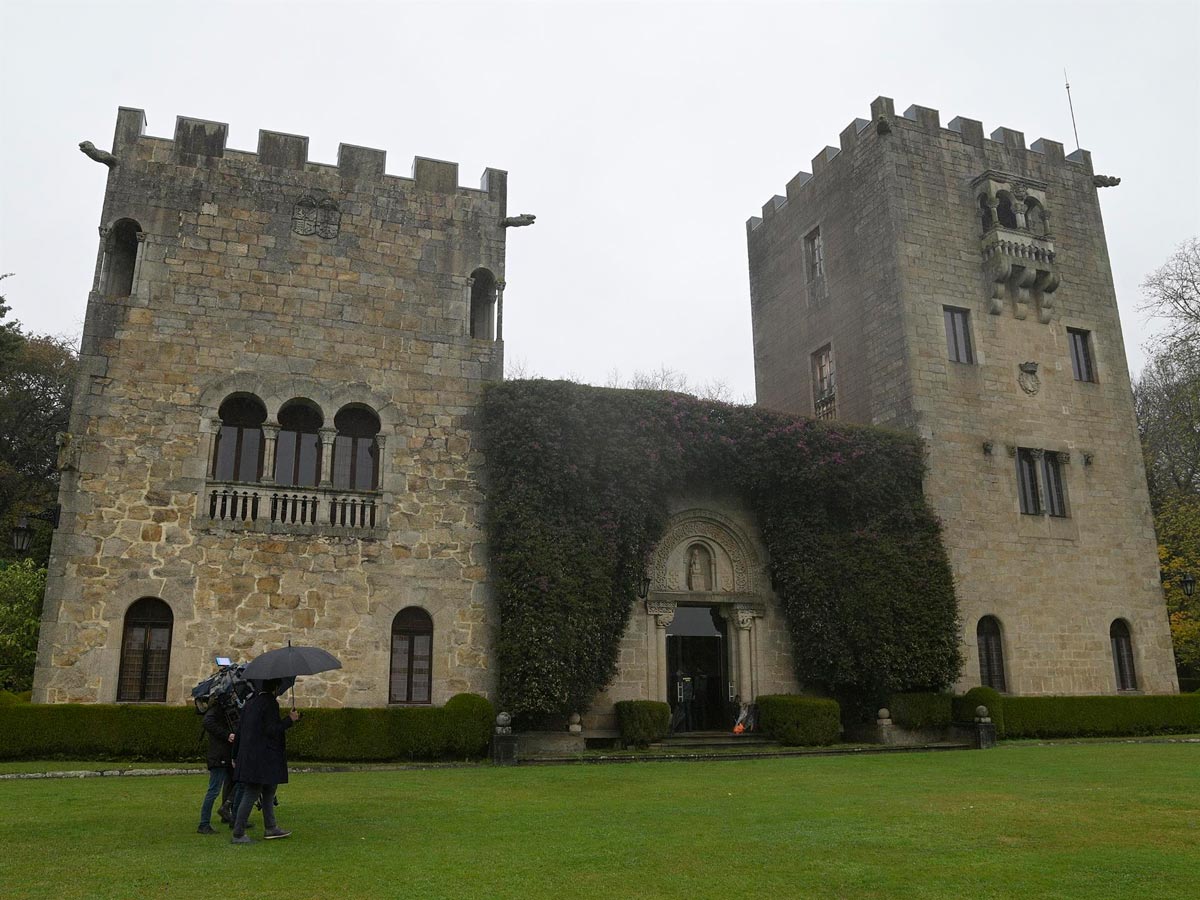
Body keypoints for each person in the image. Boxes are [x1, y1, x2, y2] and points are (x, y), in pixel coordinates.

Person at [231, 679, 300, 844]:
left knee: (269, 790)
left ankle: (271, 827)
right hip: (262, 758)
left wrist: (235, 755)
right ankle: (238, 833)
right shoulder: (269, 704)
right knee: (252, 793)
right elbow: (271, 730)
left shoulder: (250, 703)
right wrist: (290, 720)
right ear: (276, 688)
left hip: (251, 756)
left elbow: (240, 731)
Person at [197, 703, 235, 835]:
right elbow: (207, 722)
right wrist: (227, 735)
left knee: (235, 784)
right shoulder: (217, 708)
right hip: (219, 756)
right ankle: (204, 824)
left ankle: (230, 815)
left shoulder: (224, 709)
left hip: (225, 755)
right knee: (214, 790)